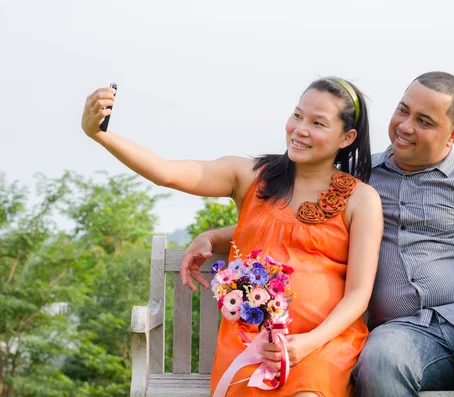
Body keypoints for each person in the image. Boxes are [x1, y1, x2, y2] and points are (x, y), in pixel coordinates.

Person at [182, 72, 454, 396]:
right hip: (401, 331)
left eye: (424, 121)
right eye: (402, 110)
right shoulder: (357, 180)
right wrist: (217, 237)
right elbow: (299, 225)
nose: (404, 126)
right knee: (378, 365)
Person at [81, 77, 383, 397]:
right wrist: (101, 135)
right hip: (249, 344)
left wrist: (309, 342)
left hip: (322, 345)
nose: (300, 129)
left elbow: (358, 294)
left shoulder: (361, 200)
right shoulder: (249, 175)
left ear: (346, 137)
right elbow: (166, 171)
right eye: (297, 115)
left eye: (318, 123)